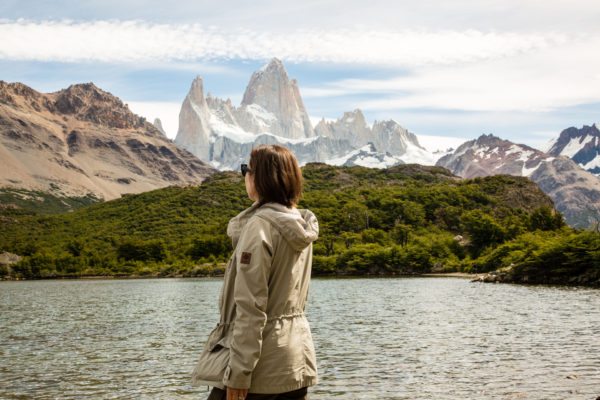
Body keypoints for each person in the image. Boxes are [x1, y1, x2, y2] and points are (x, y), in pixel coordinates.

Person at [199, 145, 319, 400]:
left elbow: (251, 310)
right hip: (294, 358)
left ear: (260, 177)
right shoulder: (301, 225)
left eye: (246, 169)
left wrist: (239, 373)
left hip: (260, 368)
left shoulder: (260, 227)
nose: (244, 175)